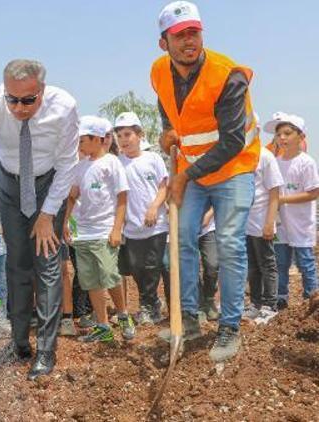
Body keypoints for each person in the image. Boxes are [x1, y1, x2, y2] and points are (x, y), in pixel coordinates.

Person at [152, 1, 260, 362]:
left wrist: (185, 176)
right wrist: (167, 132)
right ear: (164, 42)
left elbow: (231, 142)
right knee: (180, 241)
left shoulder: (227, 74)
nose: (189, 41)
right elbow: (167, 107)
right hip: (192, 170)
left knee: (229, 243)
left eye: (194, 33)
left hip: (233, 169)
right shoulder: (159, 71)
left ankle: (229, 327)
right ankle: (187, 321)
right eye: (180, 36)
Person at [0, 59, 79, 380]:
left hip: (47, 185)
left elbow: (69, 163)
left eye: (28, 100)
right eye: (12, 99)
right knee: (17, 264)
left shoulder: (64, 106)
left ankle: (45, 349)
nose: (18, 108)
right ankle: (18, 341)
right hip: (9, 186)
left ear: (41, 90)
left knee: (47, 264)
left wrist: (48, 214)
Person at [66, 116, 135, 343]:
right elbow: (72, 197)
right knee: (91, 280)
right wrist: (66, 222)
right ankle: (103, 325)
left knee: (109, 274)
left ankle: (123, 314)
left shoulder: (111, 163)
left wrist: (117, 229)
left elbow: (122, 197)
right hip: (82, 234)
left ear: (97, 139)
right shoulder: (80, 167)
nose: (80, 145)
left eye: (83, 140)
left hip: (104, 231)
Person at [115, 112, 169, 325]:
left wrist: (154, 208)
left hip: (155, 226)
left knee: (151, 266)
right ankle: (151, 302)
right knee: (136, 268)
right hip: (132, 228)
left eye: (127, 134)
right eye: (119, 135)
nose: (123, 139)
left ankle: (149, 306)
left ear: (139, 135)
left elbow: (163, 187)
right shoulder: (117, 163)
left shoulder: (153, 159)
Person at [264, 114, 319, 308]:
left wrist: (282, 199)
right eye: (279, 134)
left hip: (301, 223)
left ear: (300, 136)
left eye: (287, 133)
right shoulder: (274, 162)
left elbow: (313, 193)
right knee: (280, 264)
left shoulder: (306, 163)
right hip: (281, 224)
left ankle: (311, 301)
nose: (282, 138)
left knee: (306, 263)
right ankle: (281, 301)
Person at [242, 143, 282, 322]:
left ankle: (269, 305)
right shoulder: (241, 155)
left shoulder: (265, 156)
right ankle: (256, 303)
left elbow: (275, 192)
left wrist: (269, 222)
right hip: (246, 222)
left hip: (261, 220)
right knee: (252, 266)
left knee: (267, 264)